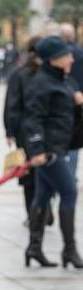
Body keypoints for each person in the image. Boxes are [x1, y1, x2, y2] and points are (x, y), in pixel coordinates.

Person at [22, 36, 83, 269]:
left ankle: (34, 247)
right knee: (69, 192)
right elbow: (33, 118)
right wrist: (37, 150)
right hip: (49, 151)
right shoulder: (41, 84)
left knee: (43, 194)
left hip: (61, 146)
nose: (71, 59)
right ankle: (70, 249)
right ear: (54, 60)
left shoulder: (64, 81)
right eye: (66, 55)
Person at [4, 37, 54, 227]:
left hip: (25, 132)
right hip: (48, 131)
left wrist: (9, 130)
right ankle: (46, 208)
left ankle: (33, 213)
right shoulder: (50, 73)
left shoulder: (19, 74)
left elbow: (12, 105)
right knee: (48, 170)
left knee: (27, 175)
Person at [59, 23, 83, 180]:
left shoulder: (58, 54)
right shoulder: (80, 52)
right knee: (74, 138)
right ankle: (70, 174)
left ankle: (62, 173)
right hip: (78, 99)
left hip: (60, 97)